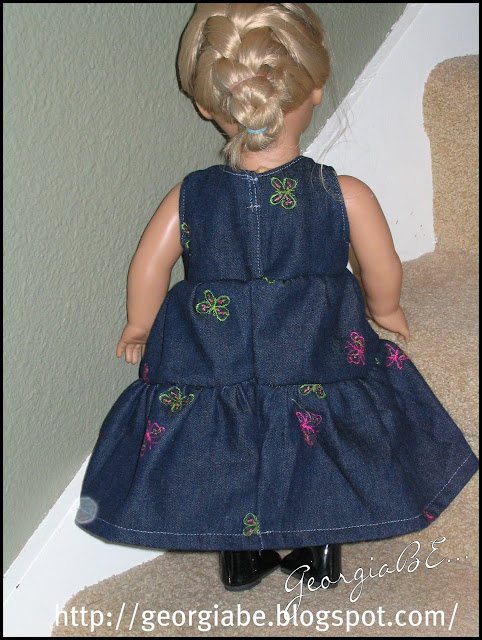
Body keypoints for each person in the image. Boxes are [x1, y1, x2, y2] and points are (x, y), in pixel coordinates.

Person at [76, 3, 478, 592]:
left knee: (226, 446)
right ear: (314, 90)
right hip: (312, 344)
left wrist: (140, 323)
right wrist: (385, 308)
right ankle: (318, 548)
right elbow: (380, 265)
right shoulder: (343, 193)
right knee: (320, 439)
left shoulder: (190, 196)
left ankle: (243, 554)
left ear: (208, 106)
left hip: (217, 356)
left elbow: (151, 265)